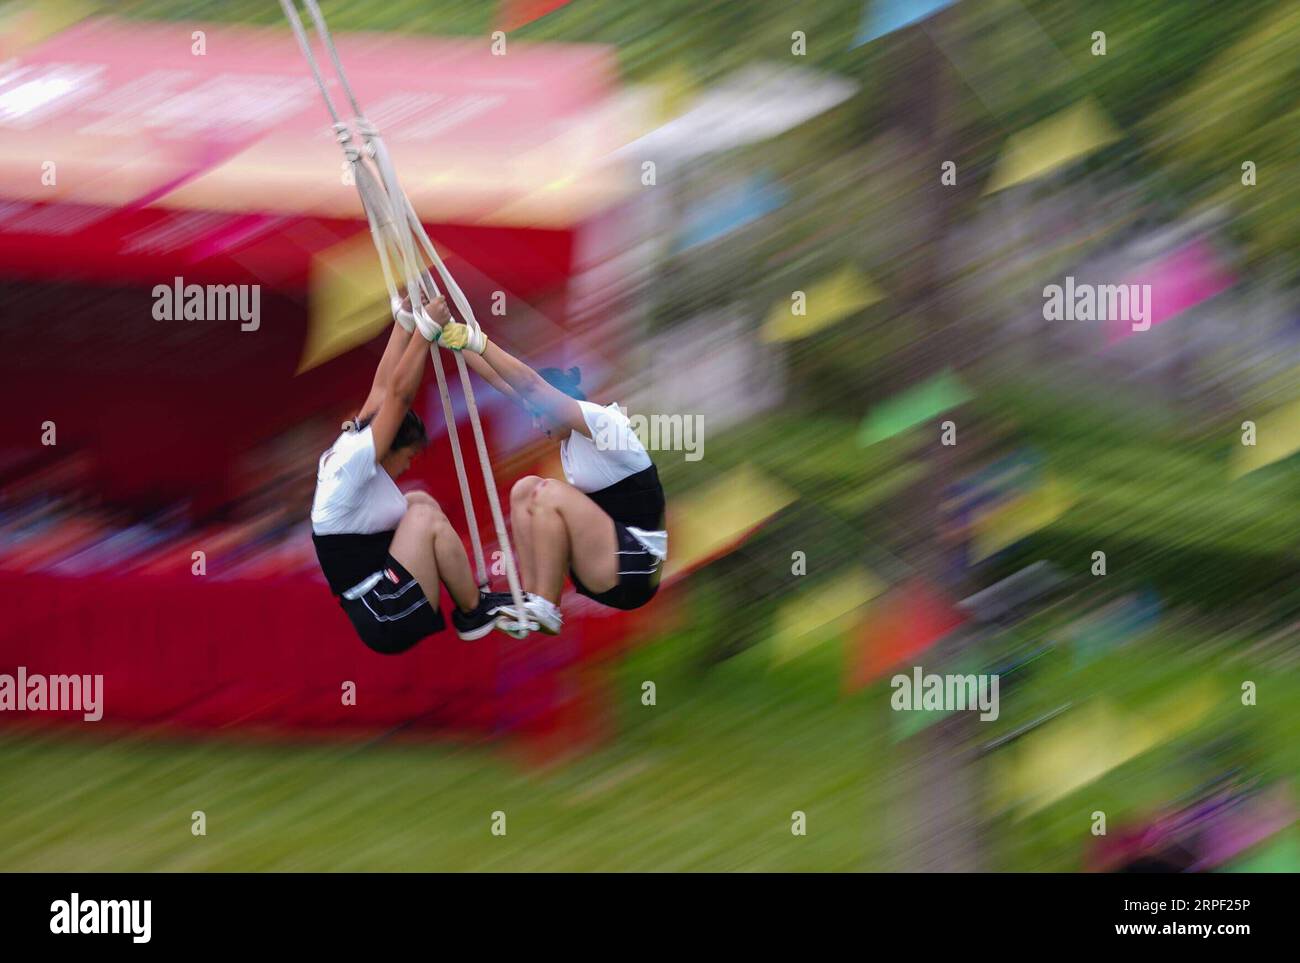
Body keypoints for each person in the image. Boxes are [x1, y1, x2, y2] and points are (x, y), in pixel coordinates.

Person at [437, 319, 666, 636]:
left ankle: (545, 606)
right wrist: (449, 338)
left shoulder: (603, 423)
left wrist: (479, 340)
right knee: (524, 489)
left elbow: (530, 384)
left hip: (635, 568)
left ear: (556, 404)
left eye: (537, 414)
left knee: (547, 493)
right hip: (603, 572)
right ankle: (530, 601)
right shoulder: (566, 431)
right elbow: (503, 382)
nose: (535, 426)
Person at [310, 296, 512, 653]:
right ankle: (473, 612)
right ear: (389, 446)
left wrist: (404, 324)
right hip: (383, 614)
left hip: (381, 598)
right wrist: (425, 331)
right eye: (407, 457)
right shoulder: (356, 458)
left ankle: (474, 601)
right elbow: (399, 397)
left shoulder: (354, 439)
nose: (407, 467)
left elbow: (382, 389)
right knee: (421, 517)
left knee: (419, 501)